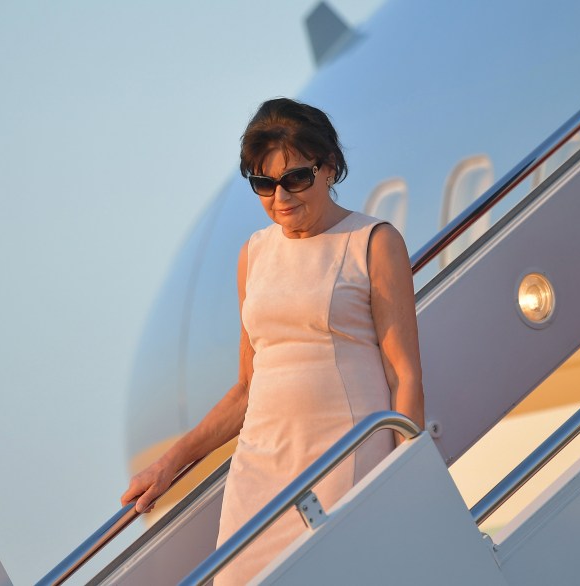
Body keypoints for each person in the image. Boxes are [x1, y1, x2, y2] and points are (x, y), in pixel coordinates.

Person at [121, 98, 424, 584]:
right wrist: (169, 463)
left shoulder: (372, 241)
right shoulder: (254, 254)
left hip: (343, 457)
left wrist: (408, 470)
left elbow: (403, 372)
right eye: (263, 184)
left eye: (295, 179)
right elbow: (246, 388)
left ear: (328, 169)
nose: (280, 197)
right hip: (259, 469)